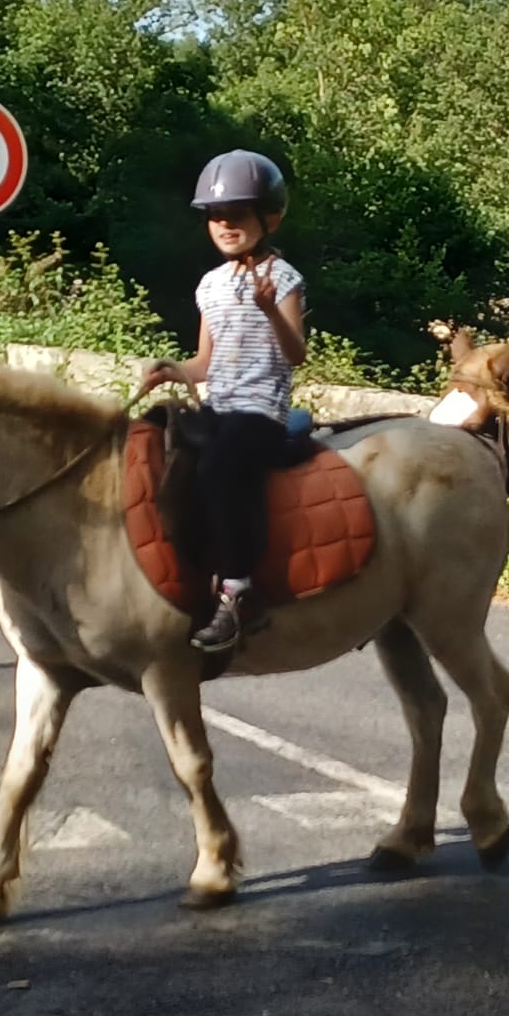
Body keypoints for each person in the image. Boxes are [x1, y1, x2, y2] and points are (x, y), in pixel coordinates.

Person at [138, 149, 307, 651]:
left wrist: (269, 310)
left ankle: (239, 592)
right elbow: (203, 363)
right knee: (156, 446)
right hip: (219, 407)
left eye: (236, 214)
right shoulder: (209, 285)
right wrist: (173, 371)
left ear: (268, 217)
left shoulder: (284, 279)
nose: (224, 224)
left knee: (216, 468)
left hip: (260, 413)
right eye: (215, 216)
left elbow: (296, 354)